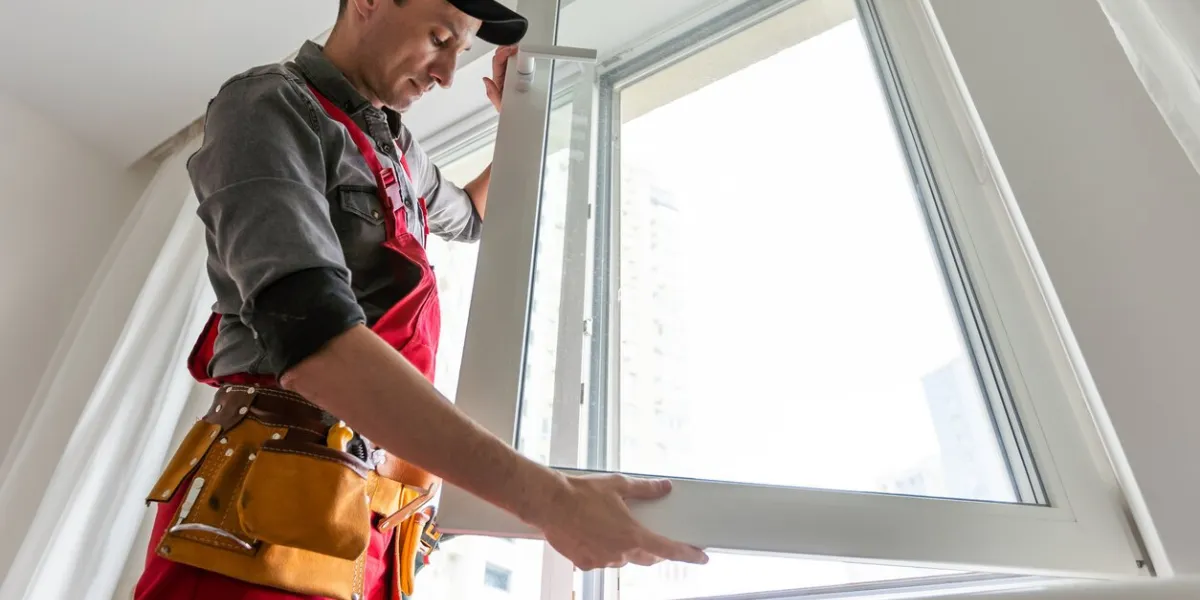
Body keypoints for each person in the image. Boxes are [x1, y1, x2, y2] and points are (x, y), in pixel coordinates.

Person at [133, 0, 708, 598]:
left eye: (462, 53)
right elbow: (311, 338)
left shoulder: (399, 154)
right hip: (267, 502)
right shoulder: (266, 105)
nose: (446, 75)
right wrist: (552, 500)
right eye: (439, 38)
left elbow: (473, 217)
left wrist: (522, 120)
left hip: (374, 511)